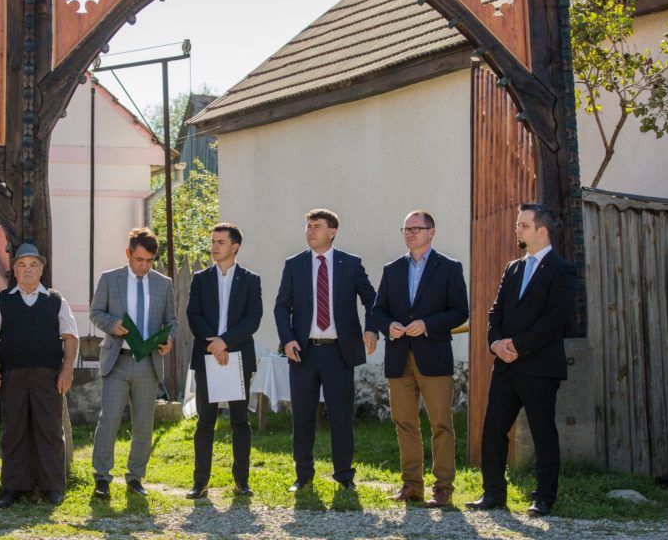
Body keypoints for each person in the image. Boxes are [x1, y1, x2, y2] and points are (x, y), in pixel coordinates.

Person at [466, 204, 577, 517]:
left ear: (542, 231)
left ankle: (543, 497)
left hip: (539, 367)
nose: (517, 229)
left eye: (523, 225)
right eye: (518, 224)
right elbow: (495, 312)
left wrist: (518, 345)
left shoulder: (562, 270)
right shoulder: (513, 268)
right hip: (505, 365)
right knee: (493, 429)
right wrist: (496, 344)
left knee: (542, 432)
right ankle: (493, 493)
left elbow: (554, 320)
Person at [274, 208, 378, 492]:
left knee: (341, 417)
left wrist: (371, 329)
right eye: (308, 226)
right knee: (302, 417)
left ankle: (344, 475)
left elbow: (372, 299)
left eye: (316, 226)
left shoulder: (351, 264)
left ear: (332, 232)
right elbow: (281, 306)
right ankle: (303, 475)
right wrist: (287, 339)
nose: (310, 231)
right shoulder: (294, 264)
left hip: (338, 353)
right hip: (303, 352)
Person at [371, 210, 469, 508]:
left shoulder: (449, 267)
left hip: (433, 356)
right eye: (406, 229)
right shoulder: (392, 269)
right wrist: (388, 325)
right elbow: (378, 310)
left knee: (441, 424)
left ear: (431, 232)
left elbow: (460, 311)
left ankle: (443, 488)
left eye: (416, 228)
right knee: (404, 423)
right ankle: (412, 485)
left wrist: (427, 324)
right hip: (399, 357)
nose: (410, 233)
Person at [0, 243, 79, 508]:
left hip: (48, 376)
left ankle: (53, 487)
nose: (27, 270)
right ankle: (13, 488)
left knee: (50, 430)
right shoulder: (3, 300)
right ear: (14, 270)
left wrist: (67, 370)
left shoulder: (56, 300)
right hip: (12, 375)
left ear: (41, 269)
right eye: (22, 265)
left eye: (33, 265)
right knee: (14, 431)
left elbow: (71, 337)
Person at [89, 228, 176, 499]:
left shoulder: (163, 283)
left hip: (148, 362)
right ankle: (102, 477)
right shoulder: (110, 279)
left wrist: (169, 339)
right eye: (139, 260)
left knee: (144, 424)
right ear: (128, 253)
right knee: (109, 420)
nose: (144, 266)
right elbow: (95, 312)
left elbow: (171, 320)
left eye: (150, 261)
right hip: (117, 360)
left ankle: (135, 477)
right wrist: (111, 324)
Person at [185, 223, 262, 499]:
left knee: (240, 421)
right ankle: (200, 483)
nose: (214, 246)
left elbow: (253, 319)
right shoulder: (200, 279)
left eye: (220, 242)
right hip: (207, 357)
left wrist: (225, 342)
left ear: (235, 246)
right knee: (205, 422)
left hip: (238, 357)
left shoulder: (250, 279)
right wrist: (214, 345)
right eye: (213, 242)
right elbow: (193, 315)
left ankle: (242, 482)